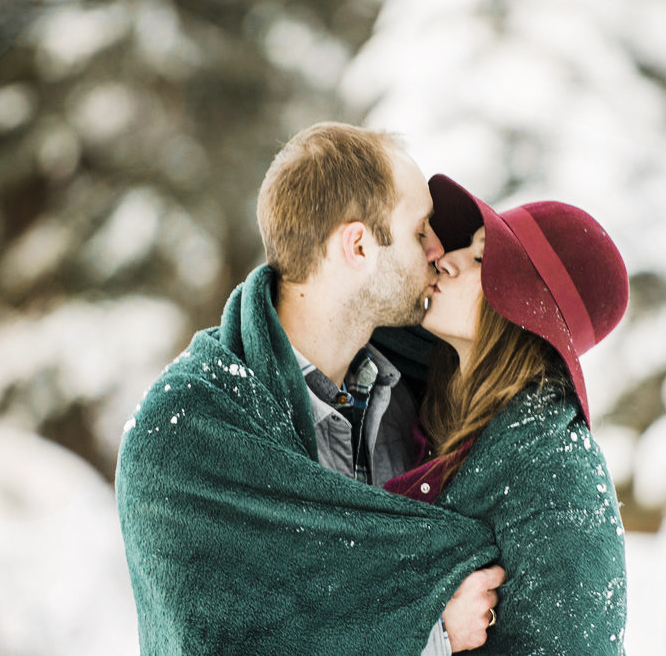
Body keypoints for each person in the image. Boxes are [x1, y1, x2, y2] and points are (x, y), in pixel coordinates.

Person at [116, 123, 503, 655]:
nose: (438, 251)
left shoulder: (413, 400)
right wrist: (430, 637)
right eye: (419, 232)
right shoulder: (183, 437)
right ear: (359, 246)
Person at [384, 174, 630, 653]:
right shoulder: (430, 417)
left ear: (523, 310)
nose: (444, 259)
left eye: (479, 259)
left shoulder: (557, 475)